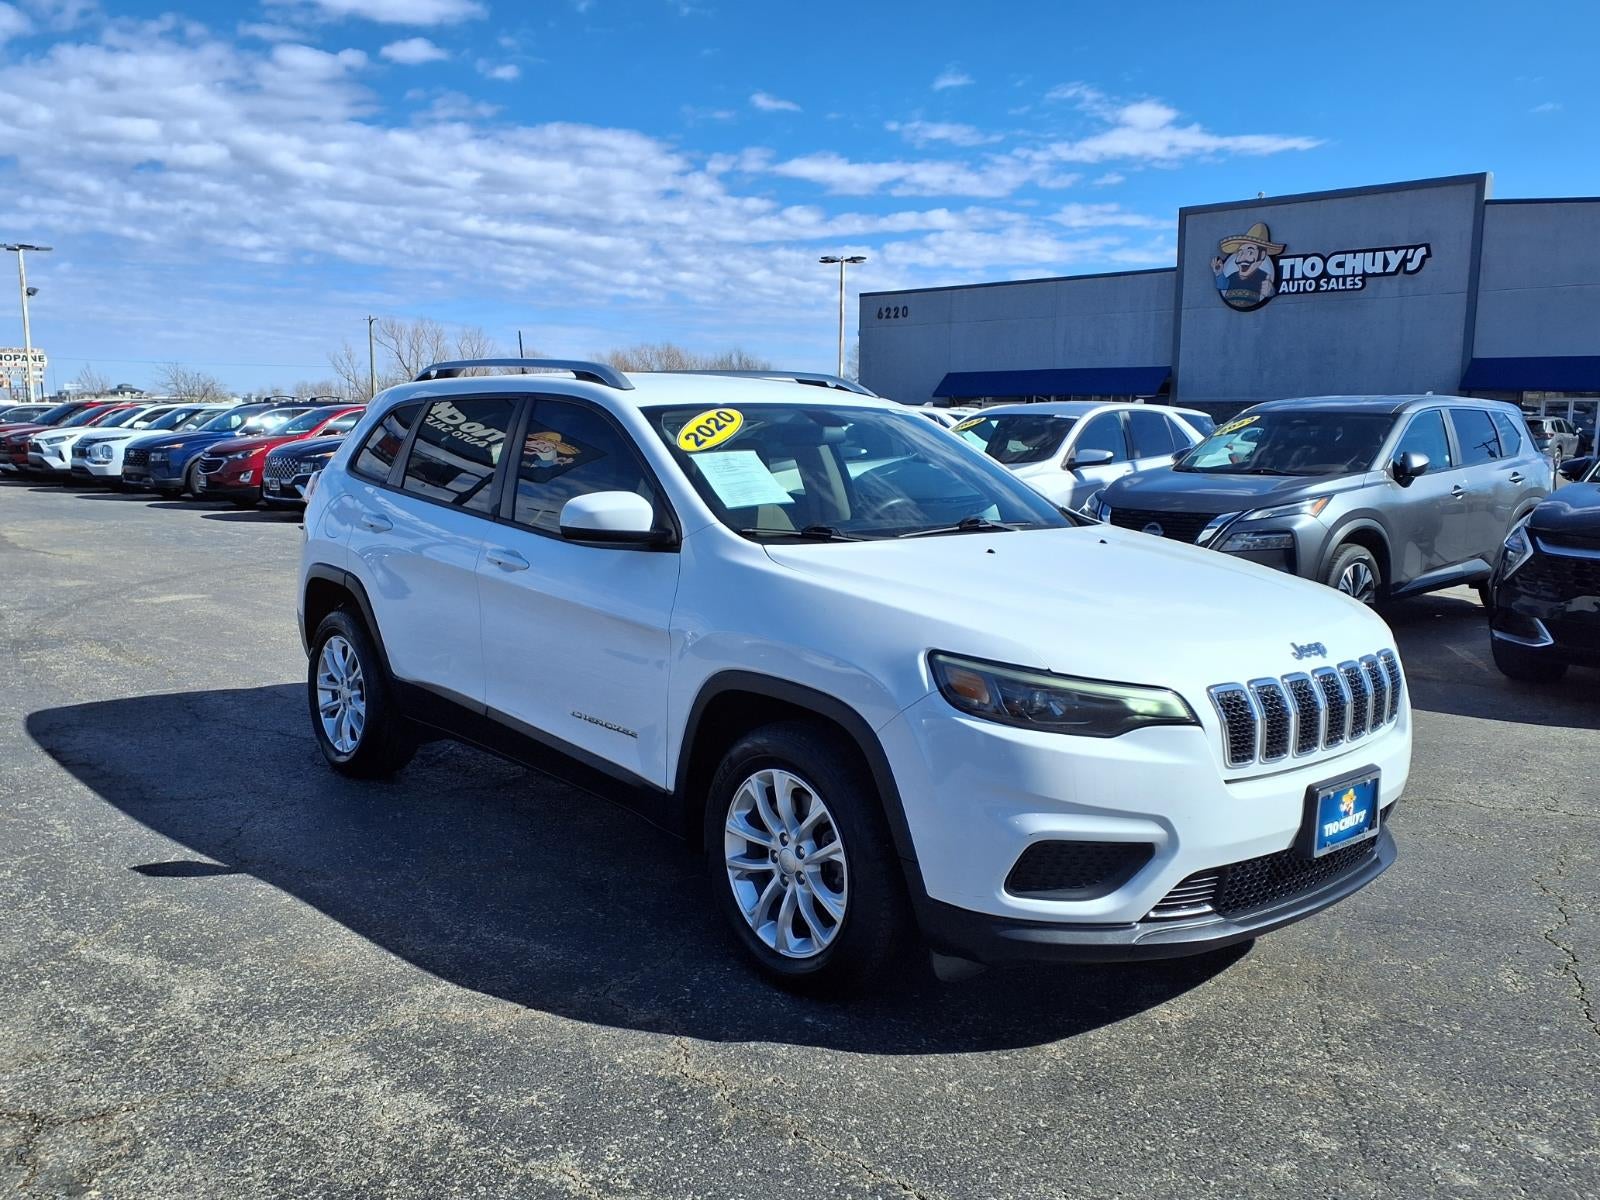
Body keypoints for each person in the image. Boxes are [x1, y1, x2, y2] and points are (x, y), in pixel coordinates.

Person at [1212, 222, 1285, 311]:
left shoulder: (1263, 278)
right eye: (1240, 253)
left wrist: (1270, 292)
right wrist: (1219, 273)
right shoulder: (1233, 277)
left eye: (1250, 252)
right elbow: (1223, 286)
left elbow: (1270, 293)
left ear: (1262, 255)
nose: (1242, 258)